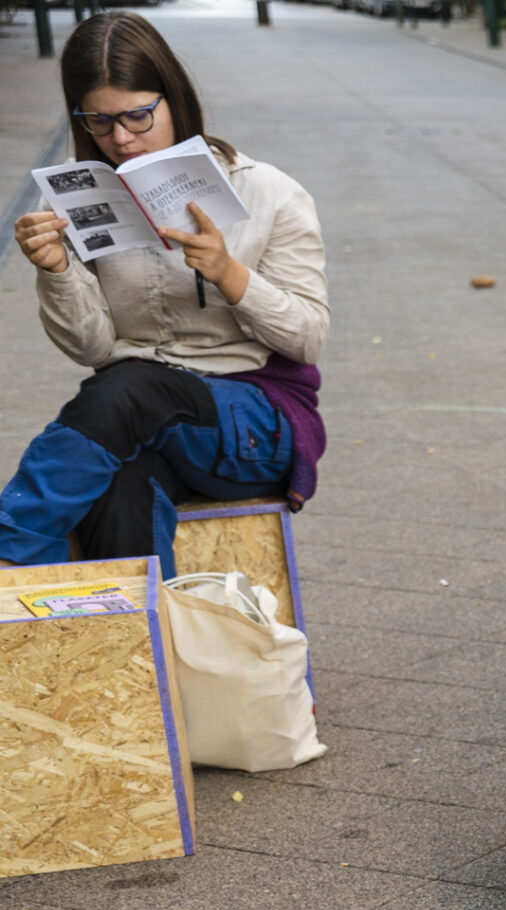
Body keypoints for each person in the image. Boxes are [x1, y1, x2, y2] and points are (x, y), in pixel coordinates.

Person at [1, 13, 327, 575]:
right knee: (117, 492)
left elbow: (309, 338)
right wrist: (56, 270)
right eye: (99, 122)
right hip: (136, 418)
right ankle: (136, 649)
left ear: (174, 99)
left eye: (137, 115)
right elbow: (96, 348)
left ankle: (9, 548)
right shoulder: (84, 198)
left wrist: (230, 274)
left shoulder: (271, 191)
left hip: (256, 424)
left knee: (132, 388)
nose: (122, 138)